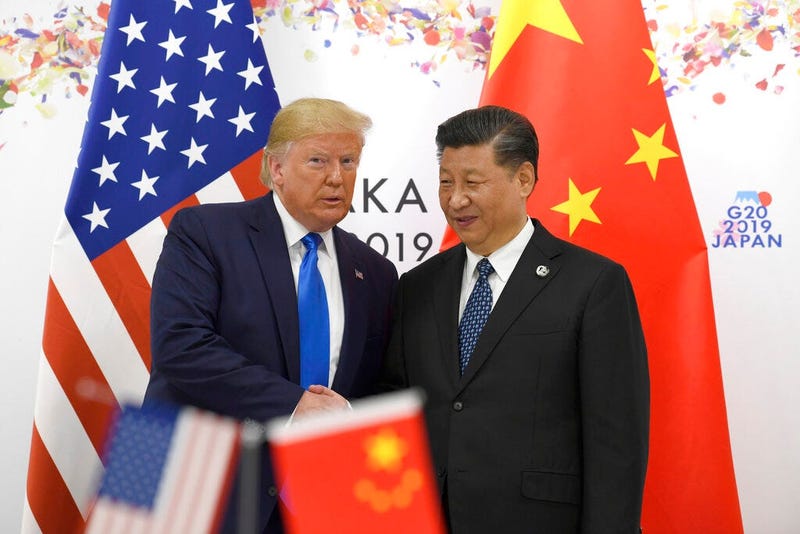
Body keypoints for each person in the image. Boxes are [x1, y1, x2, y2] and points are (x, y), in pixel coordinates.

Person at [380, 106, 649, 533]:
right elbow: (395, 413)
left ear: (523, 179)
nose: (455, 200)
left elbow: (615, 441)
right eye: (446, 183)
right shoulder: (418, 285)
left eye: (473, 183)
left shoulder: (594, 283)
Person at [144, 98, 398, 533]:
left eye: (348, 160)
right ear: (276, 168)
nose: (337, 177)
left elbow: (374, 387)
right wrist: (294, 405)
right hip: (200, 487)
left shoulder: (375, 271)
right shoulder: (205, 233)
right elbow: (180, 347)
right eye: (317, 160)